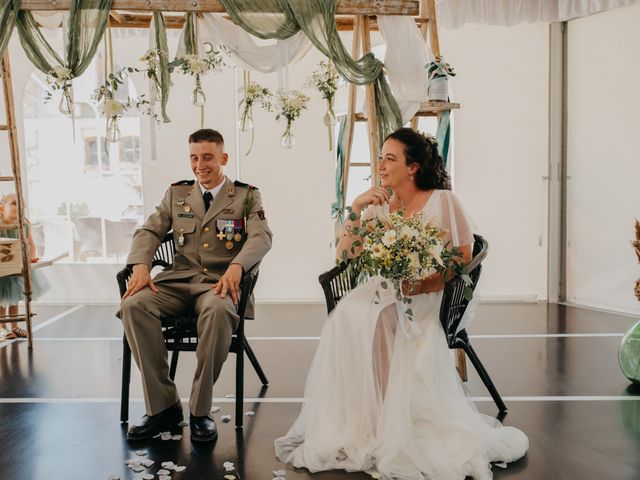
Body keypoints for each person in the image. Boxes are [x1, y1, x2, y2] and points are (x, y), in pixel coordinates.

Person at [275, 128, 528, 479]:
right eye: (380, 157)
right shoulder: (379, 205)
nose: (381, 164)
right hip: (387, 289)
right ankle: (364, 417)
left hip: (431, 295)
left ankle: (391, 422)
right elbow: (345, 255)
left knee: (379, 319)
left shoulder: (443, 201)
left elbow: (462, 259)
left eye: (390, 158)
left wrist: (423, 283)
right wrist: (357, 207)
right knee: (347, 314)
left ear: (413, 167)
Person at [117, 129, 272, 442]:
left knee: (218, 312)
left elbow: (261, 236)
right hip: (177, 281)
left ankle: (200, 411)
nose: (200, 165)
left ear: (223, 159)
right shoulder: (177, 193)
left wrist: (237, 267)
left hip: (217, 284)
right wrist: (141, 264)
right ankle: (163, 407)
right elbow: (149, 230)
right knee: (133, 304)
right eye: (194, 157)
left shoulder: (246, 195)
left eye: (207, 157)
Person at [0, 193, 49, 340]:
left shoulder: (24, 224)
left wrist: (31, 258)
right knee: (1, 300)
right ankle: (2, 327)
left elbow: (31, 243)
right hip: (3, 267)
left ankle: (14, 326)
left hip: (18, 266)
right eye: (14, 203)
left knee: (14, 298)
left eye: (21, 204)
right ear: (2, 208)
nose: (19, 206)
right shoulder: (1, 223)